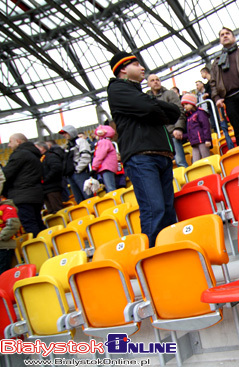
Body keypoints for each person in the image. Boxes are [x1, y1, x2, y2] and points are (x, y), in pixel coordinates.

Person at [107, 51, 180, 246]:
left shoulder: (139, 94)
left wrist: (152, 106)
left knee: (167, 210)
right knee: (154, 209)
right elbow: (150, 109)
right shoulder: (117, 89)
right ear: (123, 68)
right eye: (137, 64)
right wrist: (155, 107)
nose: (142, 69)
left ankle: (170, 253)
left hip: (161, 155)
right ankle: (152, 259)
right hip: (141, 157)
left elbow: (175, 112)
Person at [2, 134, 46, 237]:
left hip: (23, 196)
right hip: (35, 194)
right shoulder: (33, 154)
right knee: (38, 222)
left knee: (30, 225)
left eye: (10, 142)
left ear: (18, 141)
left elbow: (6, 174)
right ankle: (48, 246)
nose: (9, 145)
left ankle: (39, 249)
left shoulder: (20, 154)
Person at [146, 73, 188, 168]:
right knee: (165, 166)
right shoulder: (146, 98)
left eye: (157, 79)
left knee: (180, 161)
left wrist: (178, 128)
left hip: (172, 132)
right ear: (148, 84)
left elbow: (179, 111)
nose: (156, 82)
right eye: (152, 80)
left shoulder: (170, 94)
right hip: (158, 137)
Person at [201, 67, 235, 150]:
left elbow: (215, 92)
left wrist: (208, 95)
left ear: (205, 72)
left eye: (201, 73)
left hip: (217, 107)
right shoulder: (207, 85)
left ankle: (230, 146)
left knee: (223, 126)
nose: (201, 75)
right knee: (216, 127)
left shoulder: (214, 81)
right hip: (212, 109)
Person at [59, 125, 93, 203]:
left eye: (65, 133)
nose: (64, 135)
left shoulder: (80, 141)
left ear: (71, 132)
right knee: (78, 199)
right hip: (71, 174)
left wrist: (78, 169)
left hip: (80, 173)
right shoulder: (68, 145)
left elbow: (86, 156)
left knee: (87, 197)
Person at [0, 167, 21, 275]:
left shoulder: (7, 207)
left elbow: (13, 225)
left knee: (3, 273)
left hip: (4, 247)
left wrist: (1, 237)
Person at [181, 93, 212, 162]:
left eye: (186, 104)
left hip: (202, 141)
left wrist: (208, 139)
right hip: (194, 142)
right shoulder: (189, 117)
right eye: (183, 105)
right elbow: (190, 131)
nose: (185, 107)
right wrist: (183, 136)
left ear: (192, 104)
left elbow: (206, 126)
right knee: (195, 161)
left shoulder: (200, 113)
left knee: (206, 159)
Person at [35, 141, 64, 214]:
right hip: (45, 189)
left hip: (53, 188)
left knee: (58, 210)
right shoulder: (40, 159)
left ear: (42, 148)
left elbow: (56, 169)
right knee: (51, 212)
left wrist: (45, 180)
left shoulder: (51, 156)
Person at [91, 125, 118, 193]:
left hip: (106, 167)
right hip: (109, 167)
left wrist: (94, 167)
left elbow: (99, 156)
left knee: (110, 189)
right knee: (110, 187)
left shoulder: (103, 142)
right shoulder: (108, 142)